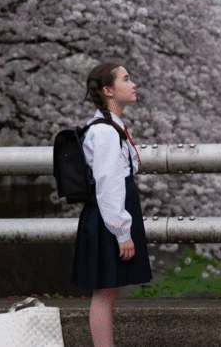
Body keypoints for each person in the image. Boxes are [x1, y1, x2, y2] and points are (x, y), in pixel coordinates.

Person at [71, 62, 152, 347]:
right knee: (104, 292)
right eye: (126, 79)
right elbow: (108, 184)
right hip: (108, 217)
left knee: (107, 291)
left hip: (107, 215)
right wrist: (122, 231)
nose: (133, 85)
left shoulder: (109, 128)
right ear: (108, 90)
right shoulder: (105, 132)